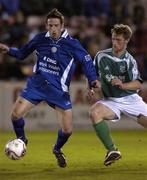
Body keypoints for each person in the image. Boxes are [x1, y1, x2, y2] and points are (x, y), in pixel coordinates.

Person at [0, 8, 99, 168]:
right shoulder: (40, 39)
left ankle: (57, 149)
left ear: (62, 26)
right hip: (37, 85)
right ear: (46, 25)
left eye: (56, 26)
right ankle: (22, 140)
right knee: (15, 115)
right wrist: (8, 50)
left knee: (67, 130)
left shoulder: (72, 44)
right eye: (50, 25)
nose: (53, 29)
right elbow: (22, 54)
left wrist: (93, 79)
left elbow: (87, 61)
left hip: (58, 91)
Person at [89, 24, 147, 166]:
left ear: (126, 40)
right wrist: (90, 86)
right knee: (94, 112)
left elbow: (138, 84)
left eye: (119, 40)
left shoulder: (129, 61)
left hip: (131, 99)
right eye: (113, 39)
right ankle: (112, 151)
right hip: (111, 101)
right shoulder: (101, 56)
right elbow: (91, 73)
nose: (115, 43)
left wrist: (124, 85)